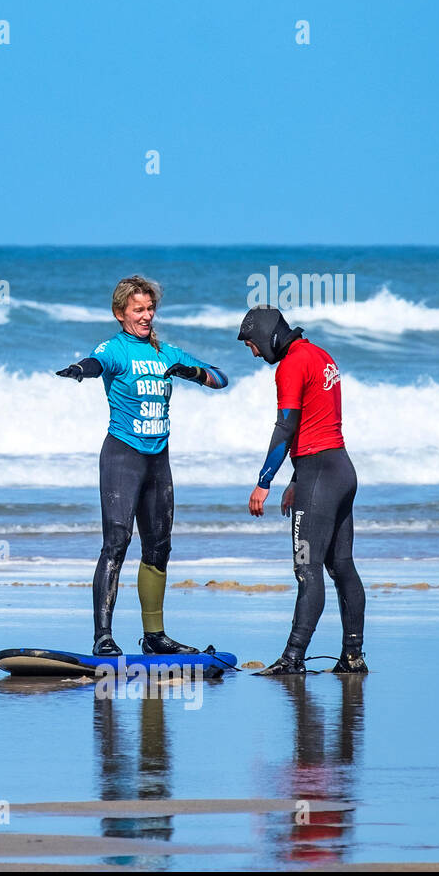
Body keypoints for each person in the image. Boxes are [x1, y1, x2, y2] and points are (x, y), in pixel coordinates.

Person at [56, 275, 228, 656]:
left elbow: (220, 379)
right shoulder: (116, 348)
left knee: (159, 548)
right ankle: (103, 636)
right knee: (116, 543)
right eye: (138, 309)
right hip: (123, 456)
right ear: (120, 313)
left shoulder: (167, 353)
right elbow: (97, 362)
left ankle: (154, 636)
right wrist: (80, 370)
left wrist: (191, 372)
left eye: (150, 309)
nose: (146, 315)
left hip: (158, 462)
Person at [238, 306, 366, 675]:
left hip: (318, 474)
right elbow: (319, 419)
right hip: (340, 470)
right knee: (342, 567)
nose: (255, 354)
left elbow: (287, 426)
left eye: (253, 346)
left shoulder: (290, 365)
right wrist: (296, 481)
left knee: (307, 569)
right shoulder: (320, 355)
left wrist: (264, 482)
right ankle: (353, 656)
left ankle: (293, 658)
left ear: (266, 336)